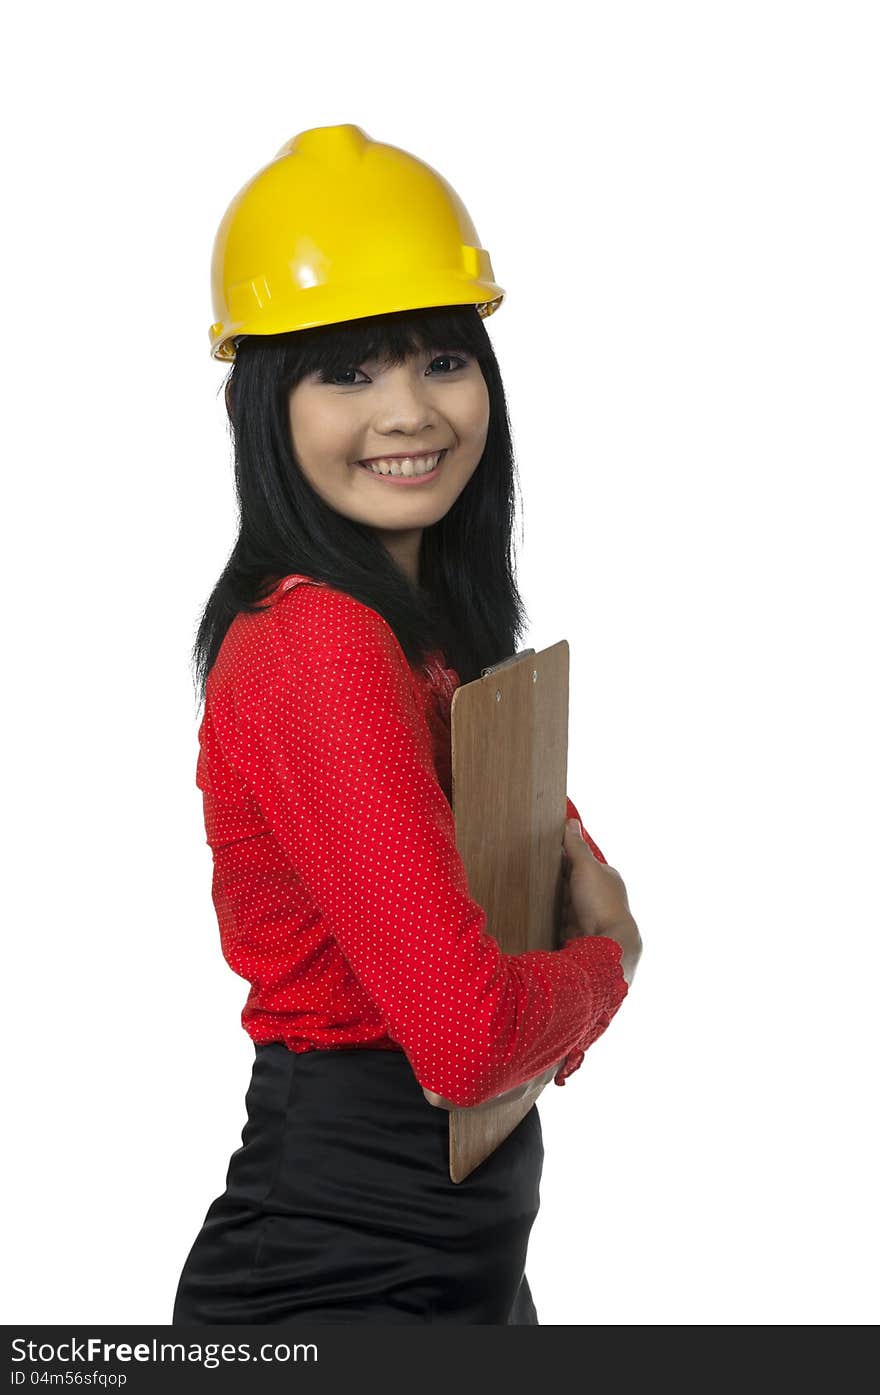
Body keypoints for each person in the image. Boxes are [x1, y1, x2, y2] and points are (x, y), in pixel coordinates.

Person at [171, 123, 642, 1327]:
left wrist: (554, 968)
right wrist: (612, 964)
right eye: (348, 372)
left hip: (458, 1248)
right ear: (261, 402)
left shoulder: (422, 631)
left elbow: (522, 915)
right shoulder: (318, 645)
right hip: (337, 1270)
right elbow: (469, 1035)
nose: (409, 412)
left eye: (441, 359)